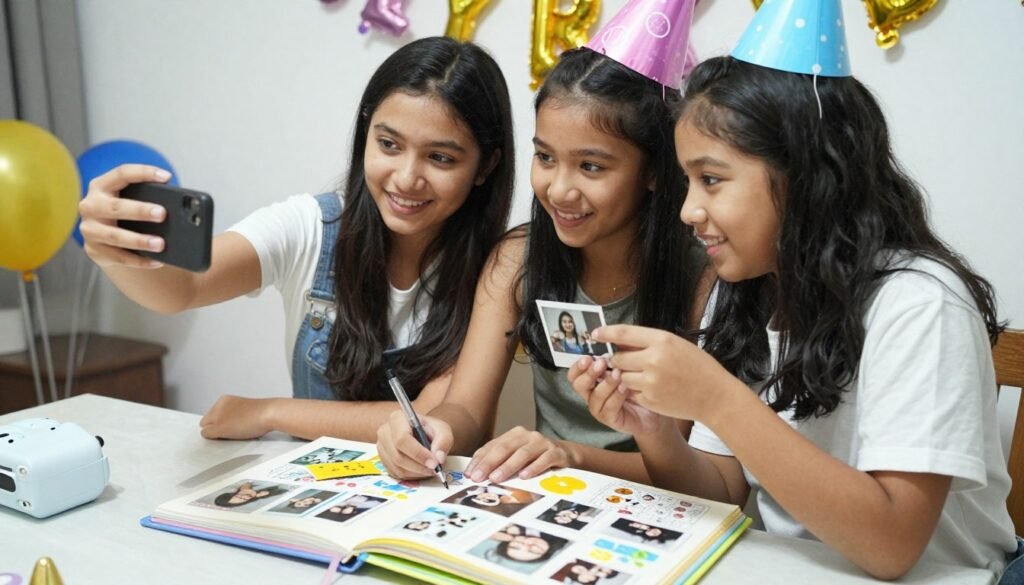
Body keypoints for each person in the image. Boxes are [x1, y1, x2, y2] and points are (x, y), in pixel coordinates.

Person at [569, 30, 1019, 584]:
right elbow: (723, 491)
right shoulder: (744, 289)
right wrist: (655, 432)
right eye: (688, 181)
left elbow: (892, 546)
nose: (688, 210)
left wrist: (718, 398)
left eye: (711, 179)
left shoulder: (920, 304)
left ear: (806, 176)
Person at [77, 37, 515, 442]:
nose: (405, 177)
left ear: (485, 166)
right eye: (388, 144)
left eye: (439, 158)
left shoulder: (498, 269)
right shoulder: (311, 227)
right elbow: (183, 289)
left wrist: (271, 412)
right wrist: (113, 251)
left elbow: (427, 417)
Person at [376, 43, 710, 485]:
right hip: (547, 498)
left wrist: (570, 454)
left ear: (652, 171)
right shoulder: (518, 258)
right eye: (546, 157)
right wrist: (436, 428)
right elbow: (468, 410)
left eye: (590, 166)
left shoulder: (701, 279)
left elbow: (685, 473)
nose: (558, 190)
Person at [212, 481, 287, 509]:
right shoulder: (264, 496)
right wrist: (269, 493)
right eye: (244, 499)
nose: (245, 496)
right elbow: (286, 488)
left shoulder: (238, 484)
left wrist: (246, 486)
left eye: (237, 496)